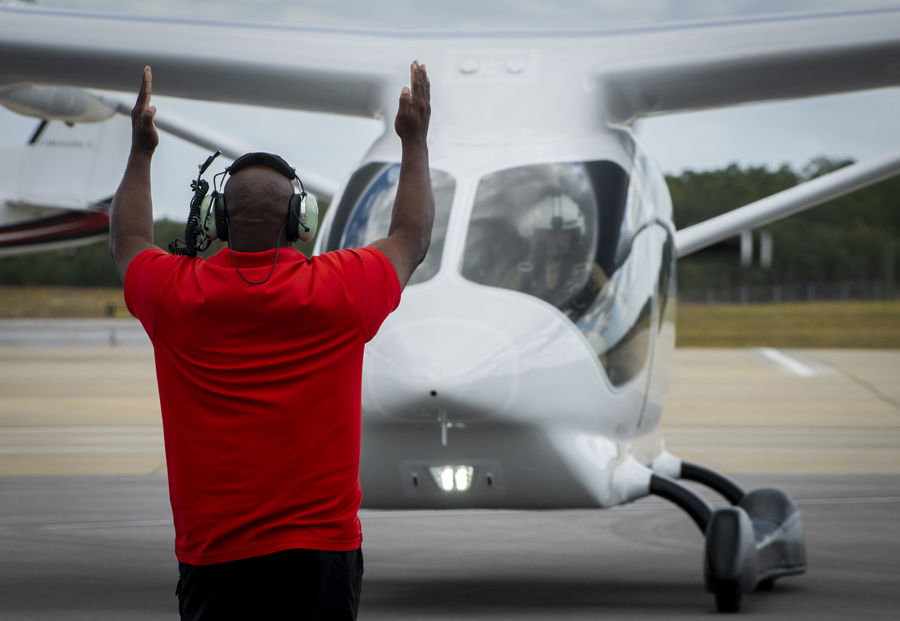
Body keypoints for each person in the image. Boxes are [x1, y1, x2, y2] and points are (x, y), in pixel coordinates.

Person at [109, 62, 433, 620]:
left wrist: (140, 153)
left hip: (215, 558)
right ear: (298, 220)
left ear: (218, 220)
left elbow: (129, 239)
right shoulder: (342, 290)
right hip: (320, 558)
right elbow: (412, 236)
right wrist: (415, 141)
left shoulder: (174, 295)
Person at [501, 193, 607, 319]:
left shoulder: (589, 273)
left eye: (564, 233)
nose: (558, 240)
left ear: (575, 236)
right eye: (551, 233)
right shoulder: (519, 274)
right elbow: (498, 314)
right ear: (540, 236)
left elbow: (615, 313)